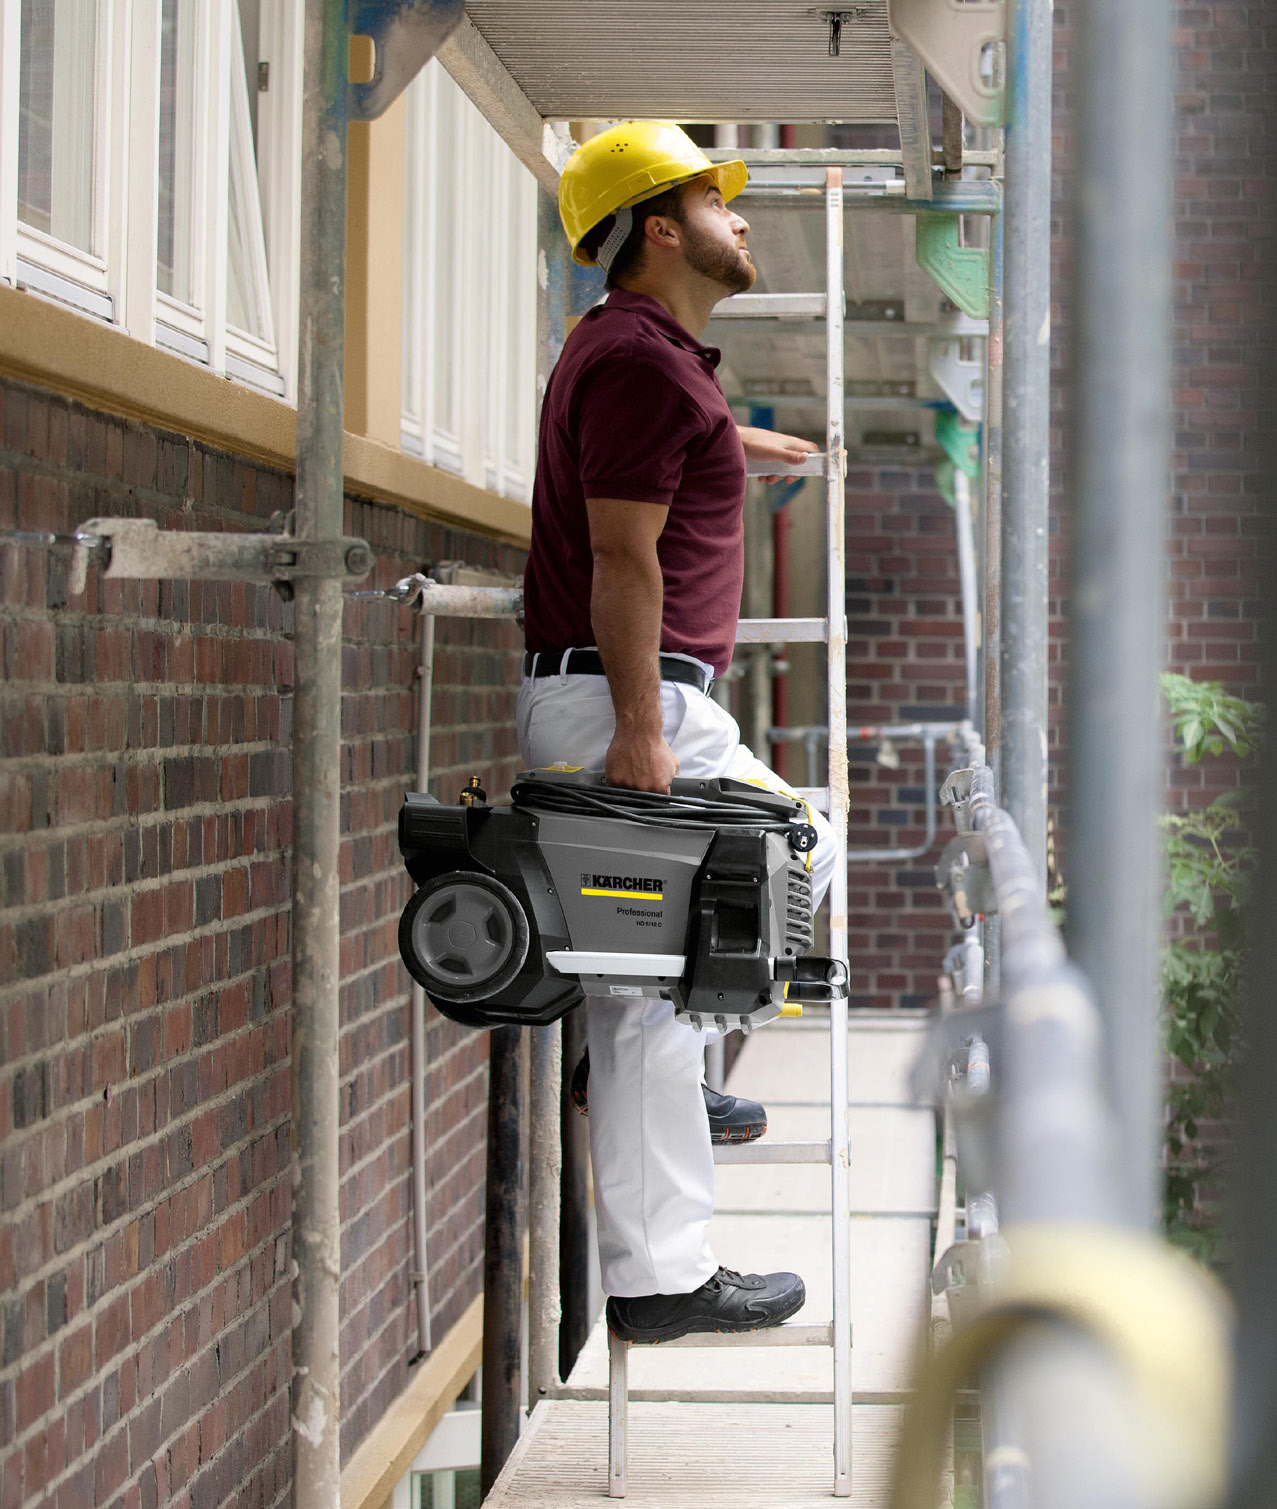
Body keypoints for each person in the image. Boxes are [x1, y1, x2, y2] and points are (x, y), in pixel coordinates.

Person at [518, 121, 831, 1343]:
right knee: (791, 848)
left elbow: (642, 462)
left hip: (613, 688)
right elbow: (620, 552)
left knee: (657, 984)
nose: (742, 217)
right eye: (718, 197)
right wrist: (643, 733)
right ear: (659, 224)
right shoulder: (643, 366)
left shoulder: (645, 361)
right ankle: (661, 1219)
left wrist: (730, 443)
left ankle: (659, 1232)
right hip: (621, 695)